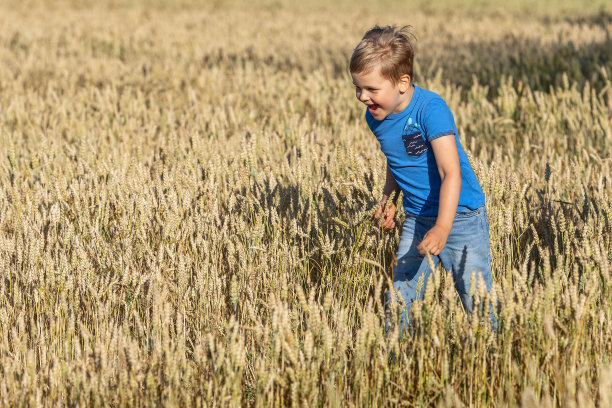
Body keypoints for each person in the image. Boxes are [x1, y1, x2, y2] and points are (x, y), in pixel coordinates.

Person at [349, 25, 497, 335]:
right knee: (399, 298)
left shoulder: (431, 109)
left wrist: (443, 227)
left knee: (476, 300)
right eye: (357, 88)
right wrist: (389, 200)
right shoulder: (375, 116)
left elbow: (450, 173)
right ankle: (393, 364)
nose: (363, 97)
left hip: (461, 217)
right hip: (417, 218)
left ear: (402, 82)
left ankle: (492, 356)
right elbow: (398, 159)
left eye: (371, 89)